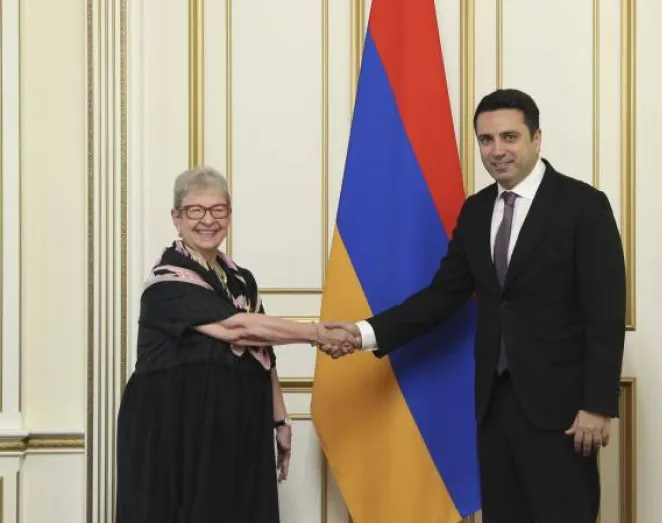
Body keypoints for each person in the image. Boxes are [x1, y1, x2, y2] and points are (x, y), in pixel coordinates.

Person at [322, 89, 626, 523]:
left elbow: (605, 313)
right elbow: (443, 295)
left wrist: (597, 405)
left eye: (509, 137)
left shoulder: (583, 206)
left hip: (563, 412)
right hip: (493, 408)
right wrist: (363, 333)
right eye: (486, 139)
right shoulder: (477, 210)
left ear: (537, 138)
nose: (497, 150)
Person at [116, 166, 354, 523]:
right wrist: (317, 333)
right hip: (173, 426)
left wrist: (280, 418)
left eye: (218, 209)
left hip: (233, 420)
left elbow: (263, 352)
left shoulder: (241, 280)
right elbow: (238, 330)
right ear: (176, 218)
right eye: (195, 210)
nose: (207, 220)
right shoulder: (166, 281)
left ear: (229, 215)